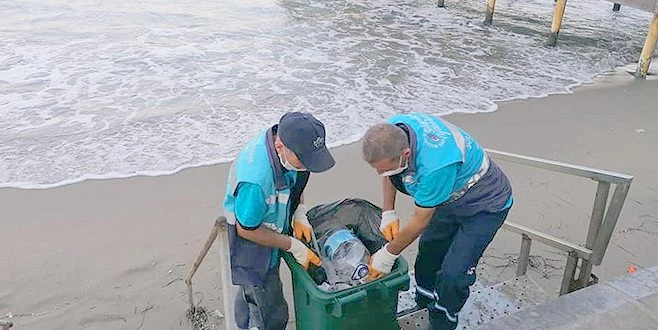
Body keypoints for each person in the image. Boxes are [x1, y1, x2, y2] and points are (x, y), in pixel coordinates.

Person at [361, 112, 513, 330]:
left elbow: (420, 220)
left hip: (485, 204)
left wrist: (387, 254)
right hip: (448, 195)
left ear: (406, 153)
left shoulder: (435, 166)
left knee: (454, 273)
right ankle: (423, 302)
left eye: (384, 168)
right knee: (429, 251)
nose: (380, 173)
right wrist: (388, 212)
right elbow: (390, 172)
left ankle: (443, 320)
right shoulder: (392, 131)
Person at [223, 112, 335, 330]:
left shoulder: (294, 149)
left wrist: (300, 211)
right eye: (304, 160)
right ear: (280, 146)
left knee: (251, 292)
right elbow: (246, 229)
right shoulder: (255, 180)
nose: (307, 165)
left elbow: (297, 179)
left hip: (275, 214)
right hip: (252, 235)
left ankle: (245, 320)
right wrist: (292, 245)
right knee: (267, 300)